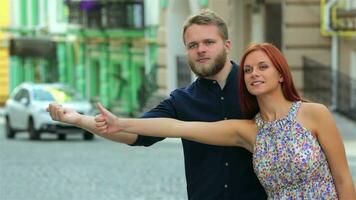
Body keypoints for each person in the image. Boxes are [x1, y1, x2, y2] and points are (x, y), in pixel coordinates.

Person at [87, 43, 355, 199]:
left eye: (263, 67)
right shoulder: (249, 131)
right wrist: (121, 123)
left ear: (281, 74)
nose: (254, 74)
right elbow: (178, 127)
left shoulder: (313, 113)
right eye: (248, 70)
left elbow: (343, 179)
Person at [47, 9, 267, 199]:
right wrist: (77, 119)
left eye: (209, 42)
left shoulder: (257, 87)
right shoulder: (182, 101)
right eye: (193, 45)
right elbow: (133, 132)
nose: (201, 49)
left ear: (227, 45)